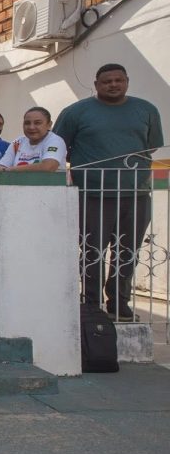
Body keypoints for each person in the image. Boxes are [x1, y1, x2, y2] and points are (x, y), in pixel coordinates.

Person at [54, 64, 164, 320]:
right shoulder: (77, 112)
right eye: (107, 81)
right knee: (92, 250)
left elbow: (152, 146)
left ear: (127, 81)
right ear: (96, 84)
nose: (113, 85)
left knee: (128, 251)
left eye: (118, 80)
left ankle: (119, 300)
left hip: (135, 193)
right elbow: (59, 146)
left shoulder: (146, 110)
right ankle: (90, 301)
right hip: (92, 193)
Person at [0, 107, 67, 172]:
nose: (31, 127)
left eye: (37, 123)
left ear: (49, 125)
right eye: (27, 123)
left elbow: (48, 167)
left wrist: (11, 169)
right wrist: (5, 169)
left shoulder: (55, 141)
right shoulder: (18, 142)